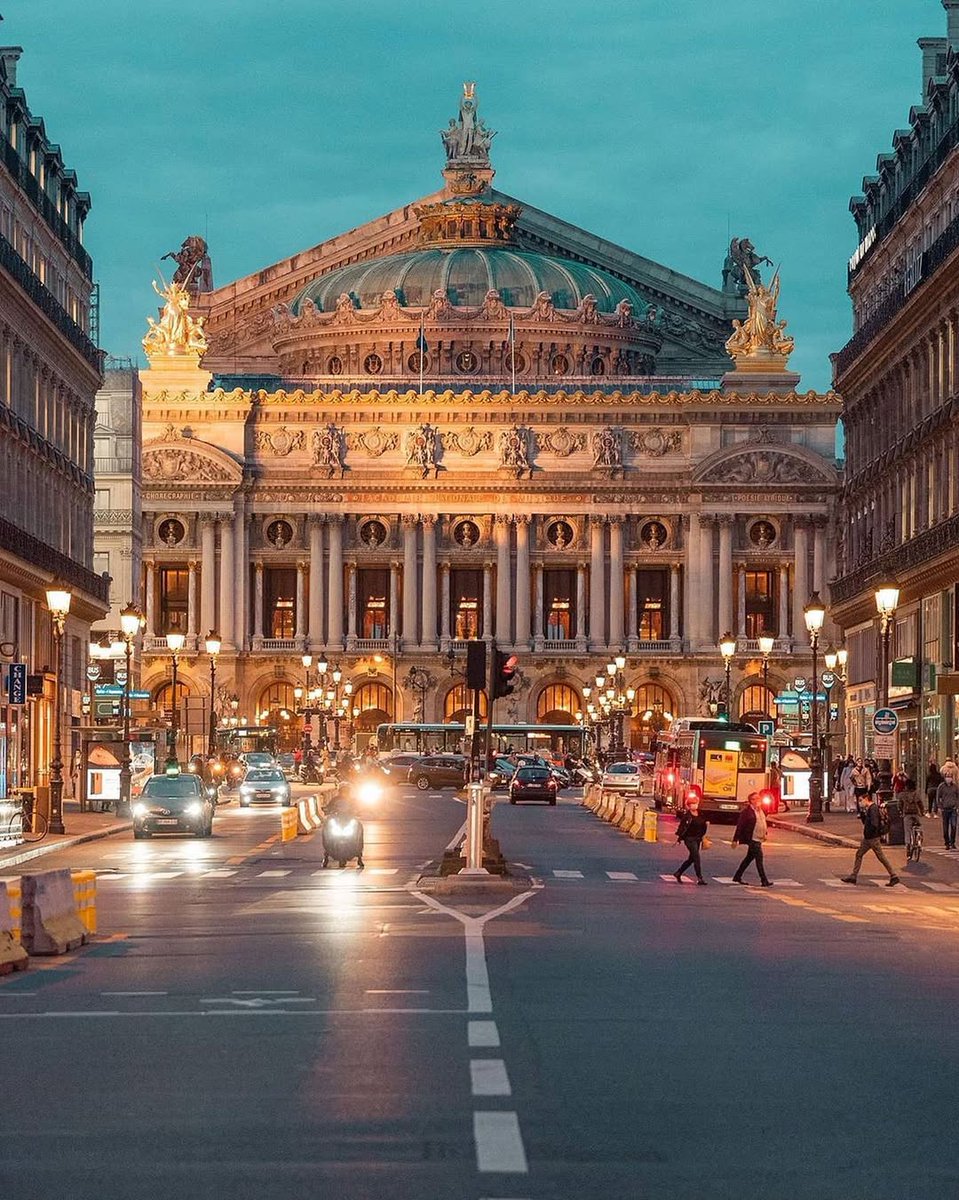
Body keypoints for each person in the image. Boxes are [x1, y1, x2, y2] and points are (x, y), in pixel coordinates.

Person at [841, 795, 900, 885]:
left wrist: (871, 833)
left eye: (861, 800)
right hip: (868, 838)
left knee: (881, 857)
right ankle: (853, 876)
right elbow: (866, 823)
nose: (860, 803)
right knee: (859, 854)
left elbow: (874, 824)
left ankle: (894, 876)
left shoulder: (873, 809)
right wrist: (863, 815)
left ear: (866, 799)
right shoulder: (870, 809)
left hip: (872, 838)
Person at [731, 793, 773, 887]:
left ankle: (737, 876)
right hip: (752, 838)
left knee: (749, 858)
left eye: (758, 798)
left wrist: (765, 833)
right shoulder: (746, 812)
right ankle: (764, 880)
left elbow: (762, 822)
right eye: (755, 799)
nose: (758, 800)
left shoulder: (761, 810)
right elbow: (740, 826)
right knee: (759, 859)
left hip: (759, 838)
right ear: (751, 801)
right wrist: (735, 839)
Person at [673, 797, 709, 885]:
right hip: (689, 839)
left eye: (696, 803)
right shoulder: (687, 816)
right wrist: (679, 838)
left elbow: (704, 823)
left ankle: (678, 873)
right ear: (689, 806)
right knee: (696, 857)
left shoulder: (701, 814)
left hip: (698, 839)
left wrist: (706, 824)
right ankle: (700, 878)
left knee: (691, 859)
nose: (695, 805)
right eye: (692, 804)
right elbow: (682, 827)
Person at [899, 779, 925, 855]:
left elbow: (899, 805)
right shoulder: (916, 794)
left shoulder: (902, 794)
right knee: (919, 826)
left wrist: (901, 812)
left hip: (907, 814)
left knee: (907, 830)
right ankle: (919, 840)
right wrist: (922, 812)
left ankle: (908, 844)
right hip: (916, 814)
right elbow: (920, 803)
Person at [936, 772, 959, 850]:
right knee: (945, 827)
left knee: (954, 826)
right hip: (945, 809)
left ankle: (952, 842)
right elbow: (938, 797)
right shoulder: (941, 787)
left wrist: (957, 805)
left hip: (953, 809)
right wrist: (940, 806)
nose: (949, 778)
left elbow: (958, 796)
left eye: (950, 777)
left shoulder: (955, 787)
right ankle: (947, 843)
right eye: (947, 777)